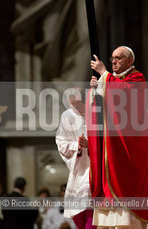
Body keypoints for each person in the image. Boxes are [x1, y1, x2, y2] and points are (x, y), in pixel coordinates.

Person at [88, 46, 148, 229]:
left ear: (130, 61)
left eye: (118, 58)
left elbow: (122, 94)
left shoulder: (137, 78)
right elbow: (103, 108)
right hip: (110, 144)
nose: (113, 61)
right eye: (112, 58)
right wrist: (95, 89)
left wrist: (103, 75)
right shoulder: (111, 79)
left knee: (124, 183)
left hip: (127, 146)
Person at [56, 88, 96, 229]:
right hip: (79, 168)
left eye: (78, 102)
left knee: (91, 208)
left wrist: (90, 145)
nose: (75, 105)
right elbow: (61, 143)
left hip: (95, 167)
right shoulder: (67, 116)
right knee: (79, 212)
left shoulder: (95, 113)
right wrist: (77, 145)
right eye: (72, 102)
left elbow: (107, 141)